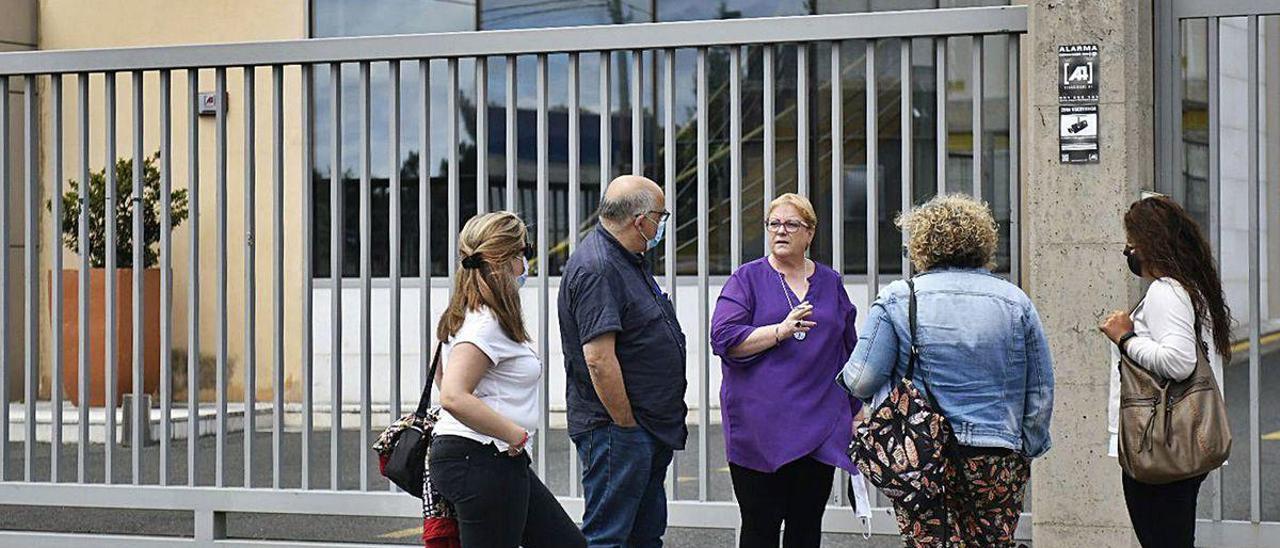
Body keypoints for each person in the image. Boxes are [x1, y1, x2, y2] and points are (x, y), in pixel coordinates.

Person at [837, 194, 1054, 548]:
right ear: (982, 242)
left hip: (921, 456)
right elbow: (1041, 391)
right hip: (997, 452)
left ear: (922, 244)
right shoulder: (1016, 302)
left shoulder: (899, 298)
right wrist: (1024, 447)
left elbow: (861, 379)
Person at [709, 193, 860, 548]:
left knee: (806, 527)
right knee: (760, 527)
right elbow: (724, 338)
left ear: (809, 233)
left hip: (818, 425)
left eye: (792, 224)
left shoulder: (830, 282)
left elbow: (847, 349)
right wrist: (780, 331)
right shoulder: (746, 279)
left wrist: (856, 410)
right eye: (774, 223)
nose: (781, 231)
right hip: (759, 427)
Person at [428, 211, 586, 548]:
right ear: (504, 261)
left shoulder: (466, 314)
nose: (524, 264)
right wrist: (513, 434)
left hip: (489, 456)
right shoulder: (485, 323)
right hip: (483, 457)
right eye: (522, 254)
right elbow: (453, 395)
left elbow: (444, 375)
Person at [558, 175, 687, 548]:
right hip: (619, 430)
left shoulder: (628, 259)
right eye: (661, 216)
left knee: (644, 536)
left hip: (642, 428)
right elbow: (598, 359)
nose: (662, 225)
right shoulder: (599, 268)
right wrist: (626, 423)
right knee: (610, 538)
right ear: (640, 219)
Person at [1098, 195, 1231, 548]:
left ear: (1150, 245)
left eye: (1132, 244)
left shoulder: (1165, 292)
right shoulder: (1193, 287)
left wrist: (1125, 337)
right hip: (1181, 438)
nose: (1129, 253)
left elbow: (1179, 361)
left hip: (1160, 442)